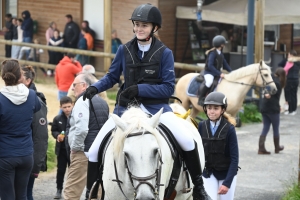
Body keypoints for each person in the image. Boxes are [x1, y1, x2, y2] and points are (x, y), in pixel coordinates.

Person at [83, 3, 211, 200]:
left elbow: (169, 88)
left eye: (144, 25)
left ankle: (199, 189)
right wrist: (95, 88)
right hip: (126, 110)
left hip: (156, 109)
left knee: (186, 140)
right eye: (136, 25)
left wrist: (140, 89)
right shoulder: (124, 50)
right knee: (93, 151)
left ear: (154, 28)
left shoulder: (165, 53)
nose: (139, 29)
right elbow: (111, 77)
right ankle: (91, 193)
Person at [63, 73, 109, 200]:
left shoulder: (83, 100)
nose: (72, 88)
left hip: (82, 151)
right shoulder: (103, 102)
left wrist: (75, 148)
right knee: (96, 192)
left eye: (74, 85)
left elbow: (82, 129)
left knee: (71, 192)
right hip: (98, 153)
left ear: (84, 86)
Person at [0, 60, 41, 200]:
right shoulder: (31, 95)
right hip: (26, 154)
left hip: (5, 154)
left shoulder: (0, 98)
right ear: (20, 77)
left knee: (7, 196)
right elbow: (36, 108)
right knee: (22, 195)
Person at [198, 92, 239, 200]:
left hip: (226, 174)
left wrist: (227, 183)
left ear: (223, 110)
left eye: (216, 108)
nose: (211, 111)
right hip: (208, 174)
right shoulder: (201, 126)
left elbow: (235, 158)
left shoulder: (229, 129)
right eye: (209, 108)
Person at [21, 65, 48, 200]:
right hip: (18, 155)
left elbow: (40, 136)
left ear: (28, 81)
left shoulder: (36, 102)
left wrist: (37, 164)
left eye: (19, 79)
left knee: (26, 194)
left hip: (29, 158)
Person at [198, 35, 232, 106]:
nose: (225, 45)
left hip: (216, 73)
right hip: (209, 72)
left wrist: (232, 72)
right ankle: (201, 98)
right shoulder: (212, 53)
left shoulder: (221, 54)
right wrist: (219, 73)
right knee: (209, 82)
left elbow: (225, 65)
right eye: (224, 44)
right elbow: (210, 66)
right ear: (221, 45)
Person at [258, 68, 286, 154]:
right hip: (273, 109)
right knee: (276, 128)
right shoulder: (277, 83)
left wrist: (267, 95)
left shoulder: (270, 80)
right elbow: (269, 94)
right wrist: (268, 95)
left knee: (266, 127)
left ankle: (261, 148)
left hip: (265, 108)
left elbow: (269, 94)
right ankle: (277, 147)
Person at [51, 96, 73, 199]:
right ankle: (59, 189)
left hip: (73, 150)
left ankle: (71, 191)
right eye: (64, 107)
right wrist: (57, 136)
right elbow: (53, 130)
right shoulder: (57, 119)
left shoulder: (76, 117)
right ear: (60, 107)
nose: (67, 109)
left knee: (73, 171)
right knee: (60, 170)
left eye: (69, 106)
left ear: (72, 105)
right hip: (62, 150)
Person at [278, 50, 300, 115]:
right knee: (294, 95)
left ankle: (289, 110)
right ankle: (294, 110)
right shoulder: (298, 62)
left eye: (289, 55)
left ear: (291, 55)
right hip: (296, 80)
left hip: (289, 80)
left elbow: (283, 68)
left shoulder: (288, 62)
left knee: (288, 95)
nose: (288, 56)